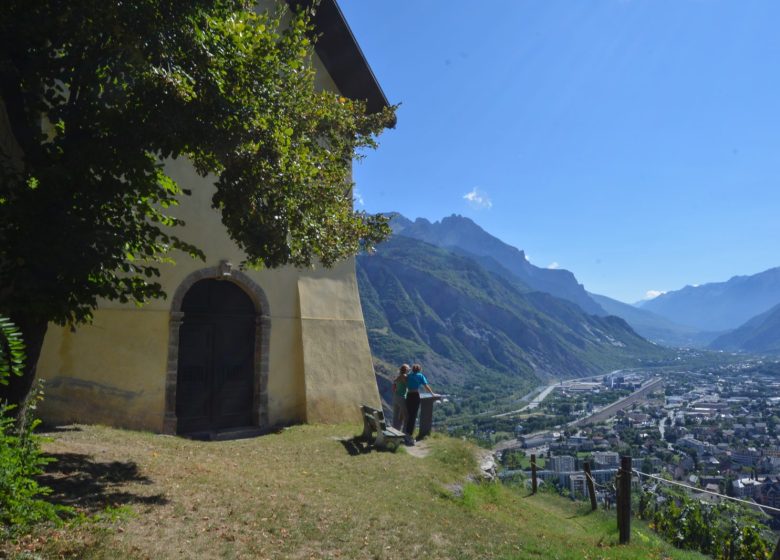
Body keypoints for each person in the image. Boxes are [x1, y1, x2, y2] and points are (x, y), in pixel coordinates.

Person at [404, 363, 434, 444]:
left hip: (408, 396)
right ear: (419, 369)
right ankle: (409, 436)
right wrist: (432, 394)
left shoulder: (409, 375)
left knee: (409, 415)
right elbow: (426, 386)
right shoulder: (420, 376)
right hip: (415, 396)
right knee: (413, 416)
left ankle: (407, 434)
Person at [391, 364, 410, 430]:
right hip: (402, 397)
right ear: (406, 370)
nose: (409, 370)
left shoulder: (397, 377)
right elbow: (408, 385)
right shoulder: (404, 376)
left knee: (396, 416)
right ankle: (404, 433)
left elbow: (393, 388)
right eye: (408, 369)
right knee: (406, 416)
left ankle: (395, 431)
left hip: (396, 397)